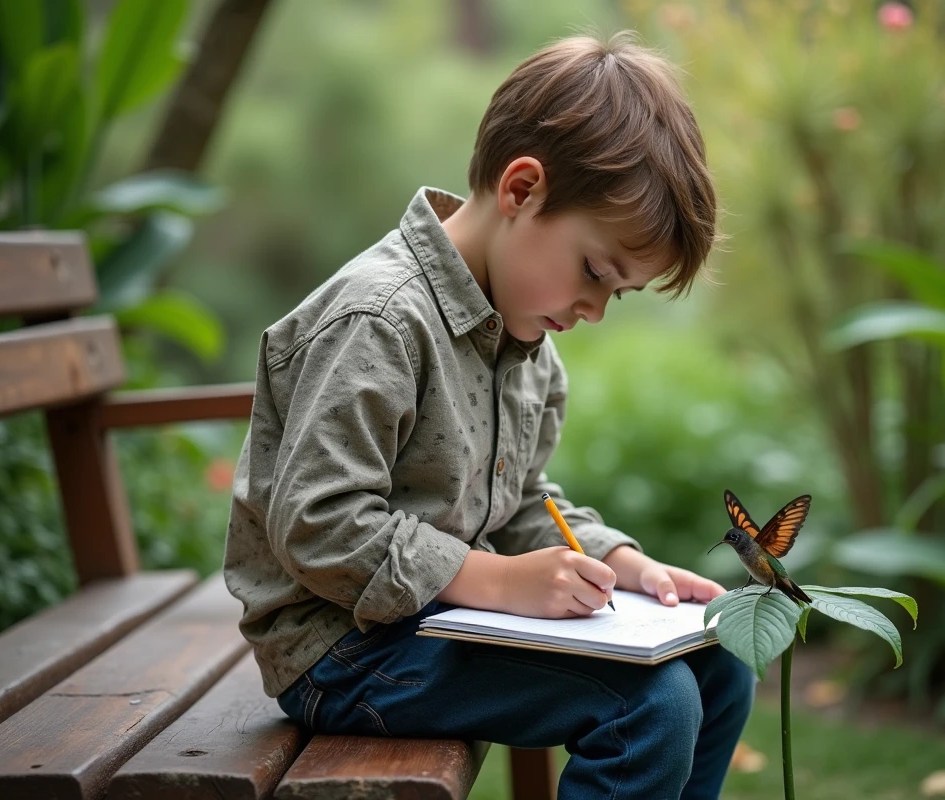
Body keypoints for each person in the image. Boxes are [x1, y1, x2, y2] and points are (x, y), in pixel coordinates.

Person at [224, 31, 753, 799]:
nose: (597, 309)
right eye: (595, 272)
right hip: (340, 649)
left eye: (621, 293)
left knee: (721, 665)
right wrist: (497, 581)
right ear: (521, 190)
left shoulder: (524, 336)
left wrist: (618, 562)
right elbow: (316, 524)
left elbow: (520, 501)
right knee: (648, 708)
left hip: (433, 625)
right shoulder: (380, 321)